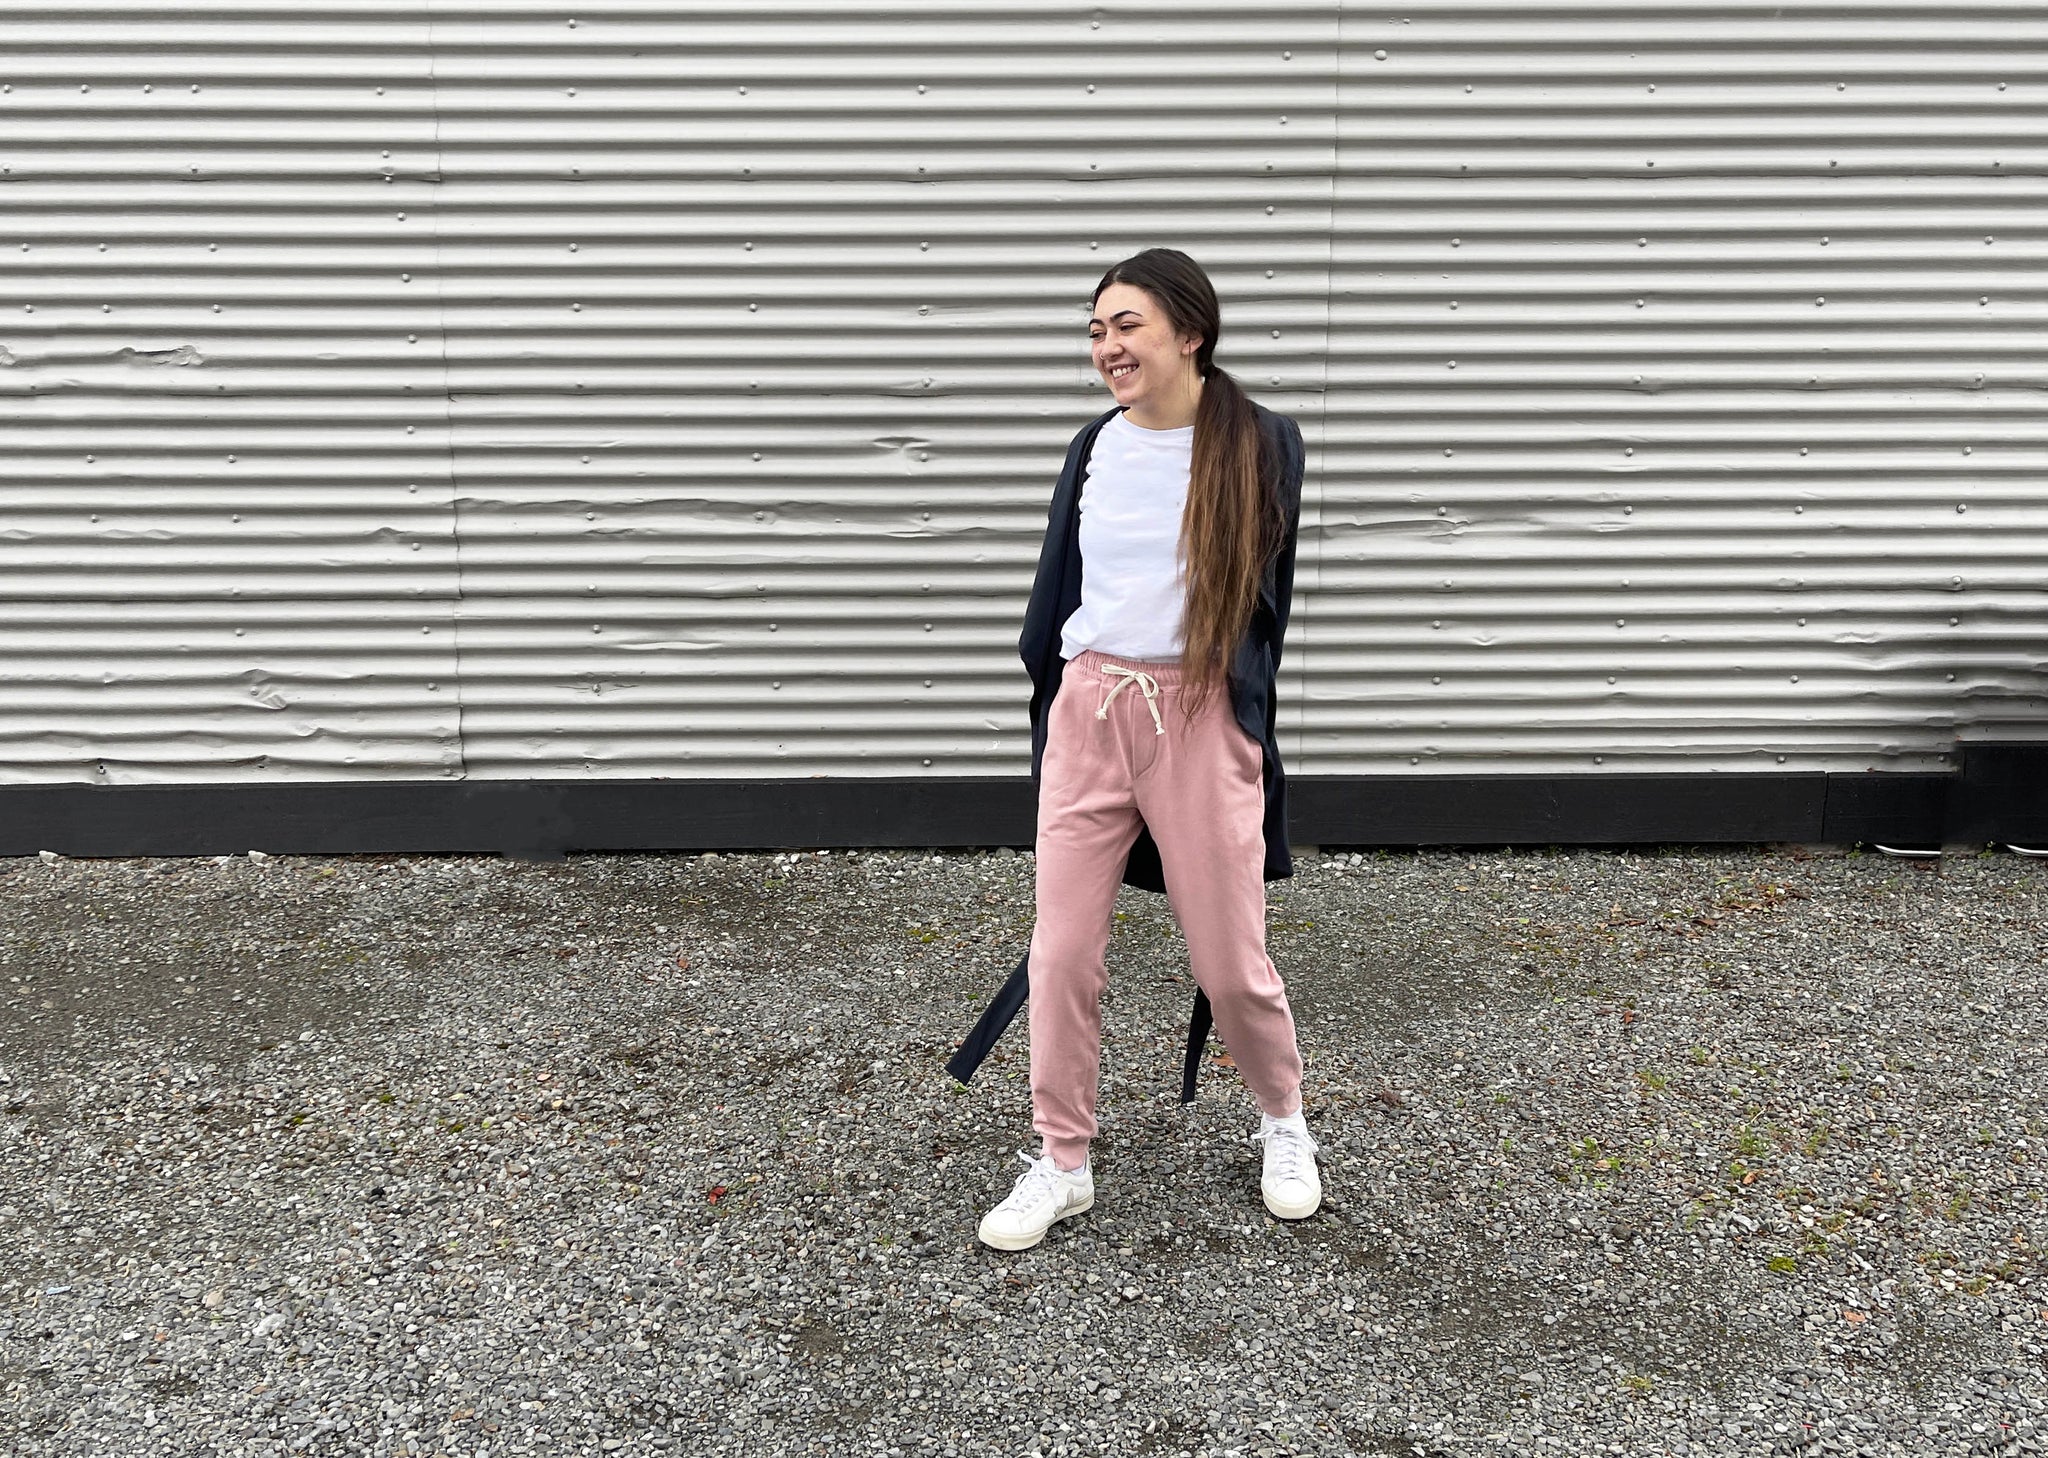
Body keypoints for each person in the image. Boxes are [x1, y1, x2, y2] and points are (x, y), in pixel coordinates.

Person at [975, 248, 1318, 1252]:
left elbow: (1265, 606)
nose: (1106, 347)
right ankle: (1061, 1158)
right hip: (1090, 710)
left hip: (1199, 712)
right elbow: (1061, 590)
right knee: (1063, 949)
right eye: (1094, 331)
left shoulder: (1257, 444)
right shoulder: (1093, 447)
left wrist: (1234, 717)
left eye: (1125, 325)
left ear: (1188, 333)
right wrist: (1058, 702)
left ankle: (1283, 1119)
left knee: (1226, 956)